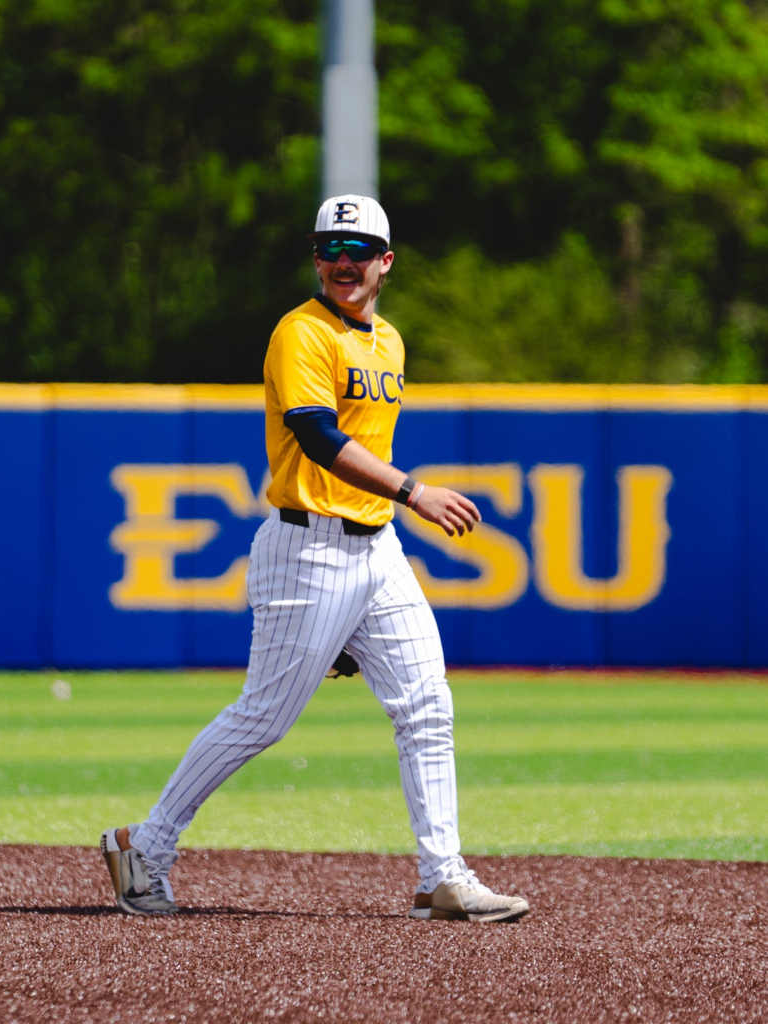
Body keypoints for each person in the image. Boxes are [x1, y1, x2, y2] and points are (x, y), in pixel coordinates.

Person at [101, 194, 529, 924]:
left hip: (375, 553)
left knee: (427, 705)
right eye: (327, 248)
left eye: (356, 250)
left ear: (384, 262)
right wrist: (413, 492)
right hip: (308, 548)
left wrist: (367, 581)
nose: (340, 262)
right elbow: (317, 437)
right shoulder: (301, 333)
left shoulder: (387, 341)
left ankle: (442, 876)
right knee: (264, 716)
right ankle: (144, 843)